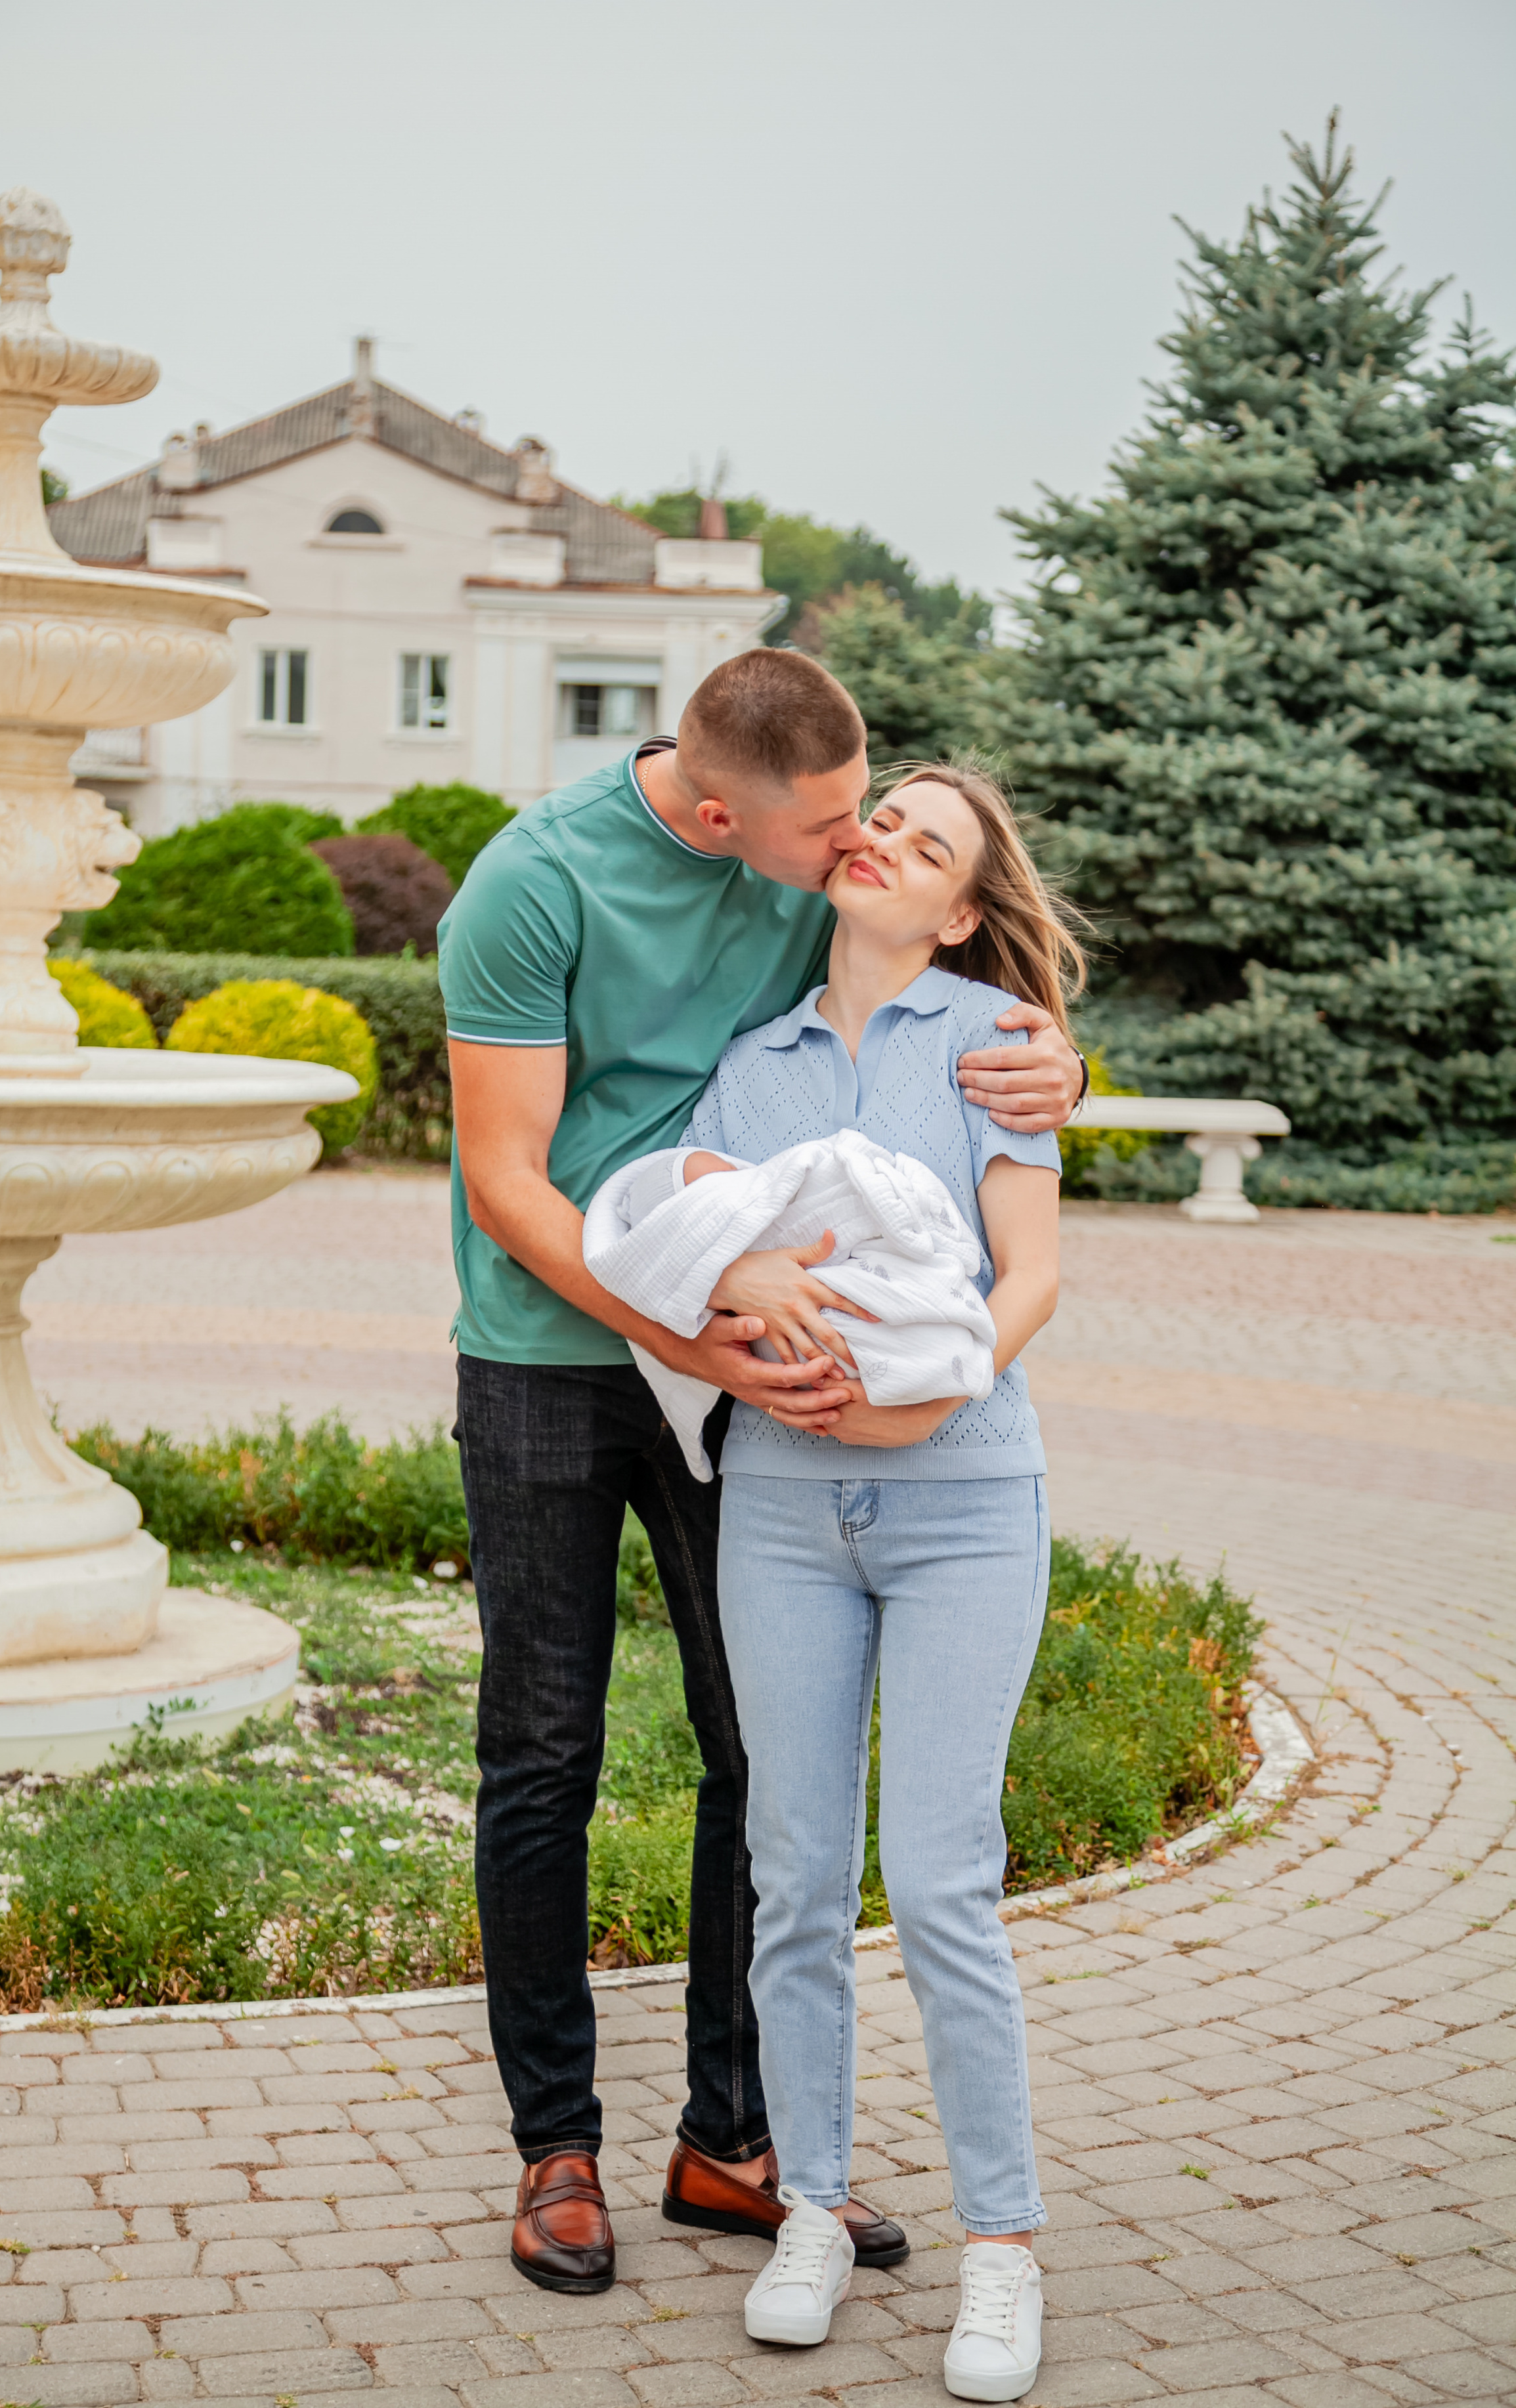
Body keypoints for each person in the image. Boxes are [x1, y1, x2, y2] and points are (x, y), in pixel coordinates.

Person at [437, 650, 1085, 2296]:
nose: (854, 844)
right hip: (547, 1356)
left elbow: (951, 995)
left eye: (868, 819)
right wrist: (695, 1319)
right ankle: (554, 2146)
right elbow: (506, 1180)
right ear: (725, 821)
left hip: (754, 1368)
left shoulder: (820, 861)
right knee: (543, 1747)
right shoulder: (533, 882)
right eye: (829, 830)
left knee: (759, 1758)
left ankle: (733, 2141)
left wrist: (1059, 1070)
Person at [666, 760, 1079, 2398]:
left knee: (939, 1878)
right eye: (881, 820)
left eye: (928, 843)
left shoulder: (994, 1042)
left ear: (961, 910)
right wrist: (734, 1321)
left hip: (962, 1499)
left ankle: (1001, 2251)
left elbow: (1030, 1274)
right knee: (792, 1877)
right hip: (777, 1507)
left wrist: (928, 1395)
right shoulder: (749, 1063)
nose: (887, 842)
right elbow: (695, 1261)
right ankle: (813, 2211)